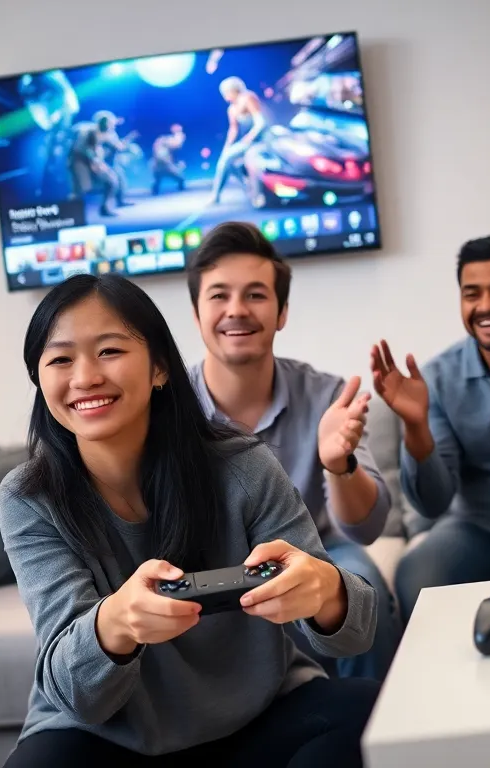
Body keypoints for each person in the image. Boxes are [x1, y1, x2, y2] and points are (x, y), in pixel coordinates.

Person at [0, 273, 378, 767]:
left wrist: (325, 590)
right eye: (60, 359)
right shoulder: (29, 497)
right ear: (39, 378)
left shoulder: (242, 465)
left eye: (109, 351)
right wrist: (116, 623)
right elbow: (78, 697)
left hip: (257, 717)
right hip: (105, 737)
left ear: (159, 367)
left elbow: (356, 634)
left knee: (367, 713)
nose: (85, 377)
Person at [186, 221, 401, 681]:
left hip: (318, 550)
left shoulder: (326, 396)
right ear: (196, 312)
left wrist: (337, 465)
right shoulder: (165, 408)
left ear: (282, 312)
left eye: (256, 295)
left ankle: (373, 722)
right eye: (219, 295)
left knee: (363, 591)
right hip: (209, 564)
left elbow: (365, 528)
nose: (237, 310)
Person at [371, 235, 490, 623]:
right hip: (479, 527)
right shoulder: (440, 379)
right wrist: (415, 426)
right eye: (472, 294)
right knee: (419, 577)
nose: (487, 305)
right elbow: (432, 503)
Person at [210, 76, 268, 205]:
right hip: (247, 142)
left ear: (233, 90)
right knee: (226, 161)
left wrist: (250, 137)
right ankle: (241, 189)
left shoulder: (247, 97)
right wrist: (226, 148)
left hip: (260, 140)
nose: (225, 97)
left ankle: (257, 195)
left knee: (252, 162)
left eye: (226, 93)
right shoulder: (231, 109)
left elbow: (260, 122)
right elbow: (233, 130)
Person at [150, 123, 187, 194]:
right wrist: (179, 135)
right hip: (160, 164)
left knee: (180, 178)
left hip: (162, 164)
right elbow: (176, 144)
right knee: (157, 180)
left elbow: (176, 145)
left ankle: (155, 189)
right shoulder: (163, 139)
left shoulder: (165, 140)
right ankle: (155, 190)